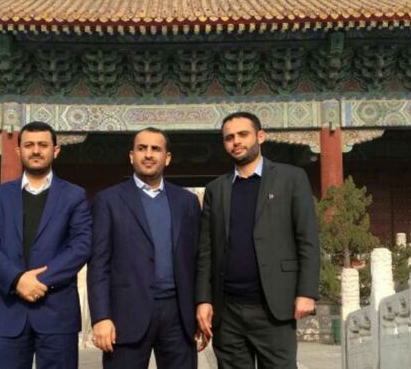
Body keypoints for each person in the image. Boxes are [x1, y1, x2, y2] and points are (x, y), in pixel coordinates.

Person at [196, 112, 320, 368]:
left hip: (273, 307)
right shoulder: (216, 189)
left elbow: (307, 238)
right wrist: (204, 300)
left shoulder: (291, 178)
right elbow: (206, 252)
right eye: (229, 137)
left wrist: (306, 292)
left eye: (243, 134)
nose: (236, 142)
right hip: (228, 311)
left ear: (260, 136)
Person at [0, 121, 92, 369]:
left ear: (55, 151)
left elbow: (81, 246)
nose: (36, 150)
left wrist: (38, 281)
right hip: (8, 310)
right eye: (29, 145)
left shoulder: (74, 196)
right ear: (19, 151)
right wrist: (16, 280)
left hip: (57, 311)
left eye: (42, 145)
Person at [88, 127, 203, 368]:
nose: (148, 154)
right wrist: (101, 317)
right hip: (126, 315)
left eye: (155, 149)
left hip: (178, 315)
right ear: (132, 156)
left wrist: (200, 305)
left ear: (167, 158)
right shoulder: (109, 201)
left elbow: (198, 260)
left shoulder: (187, 202)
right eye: (142, 148)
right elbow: (98, 264)